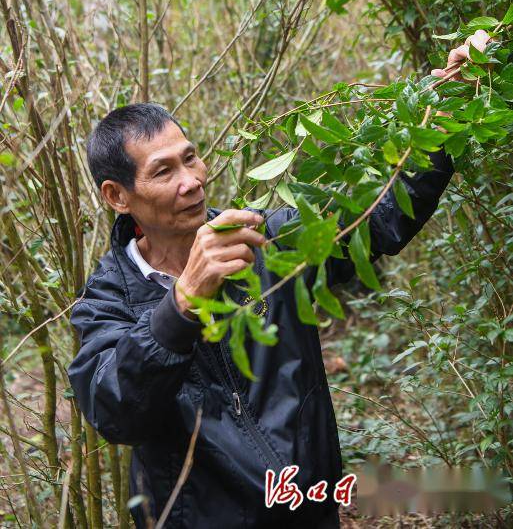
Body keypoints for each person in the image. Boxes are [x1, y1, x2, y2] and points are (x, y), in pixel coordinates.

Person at [67, 30, 490, 528]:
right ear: (117, 196)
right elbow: (116, 411)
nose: (193, 180)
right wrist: (181, 304)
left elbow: (377, 219)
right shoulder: (106, 300)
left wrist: (441, 111)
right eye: (164, 172)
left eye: (191, 157)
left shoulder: (266, 239)